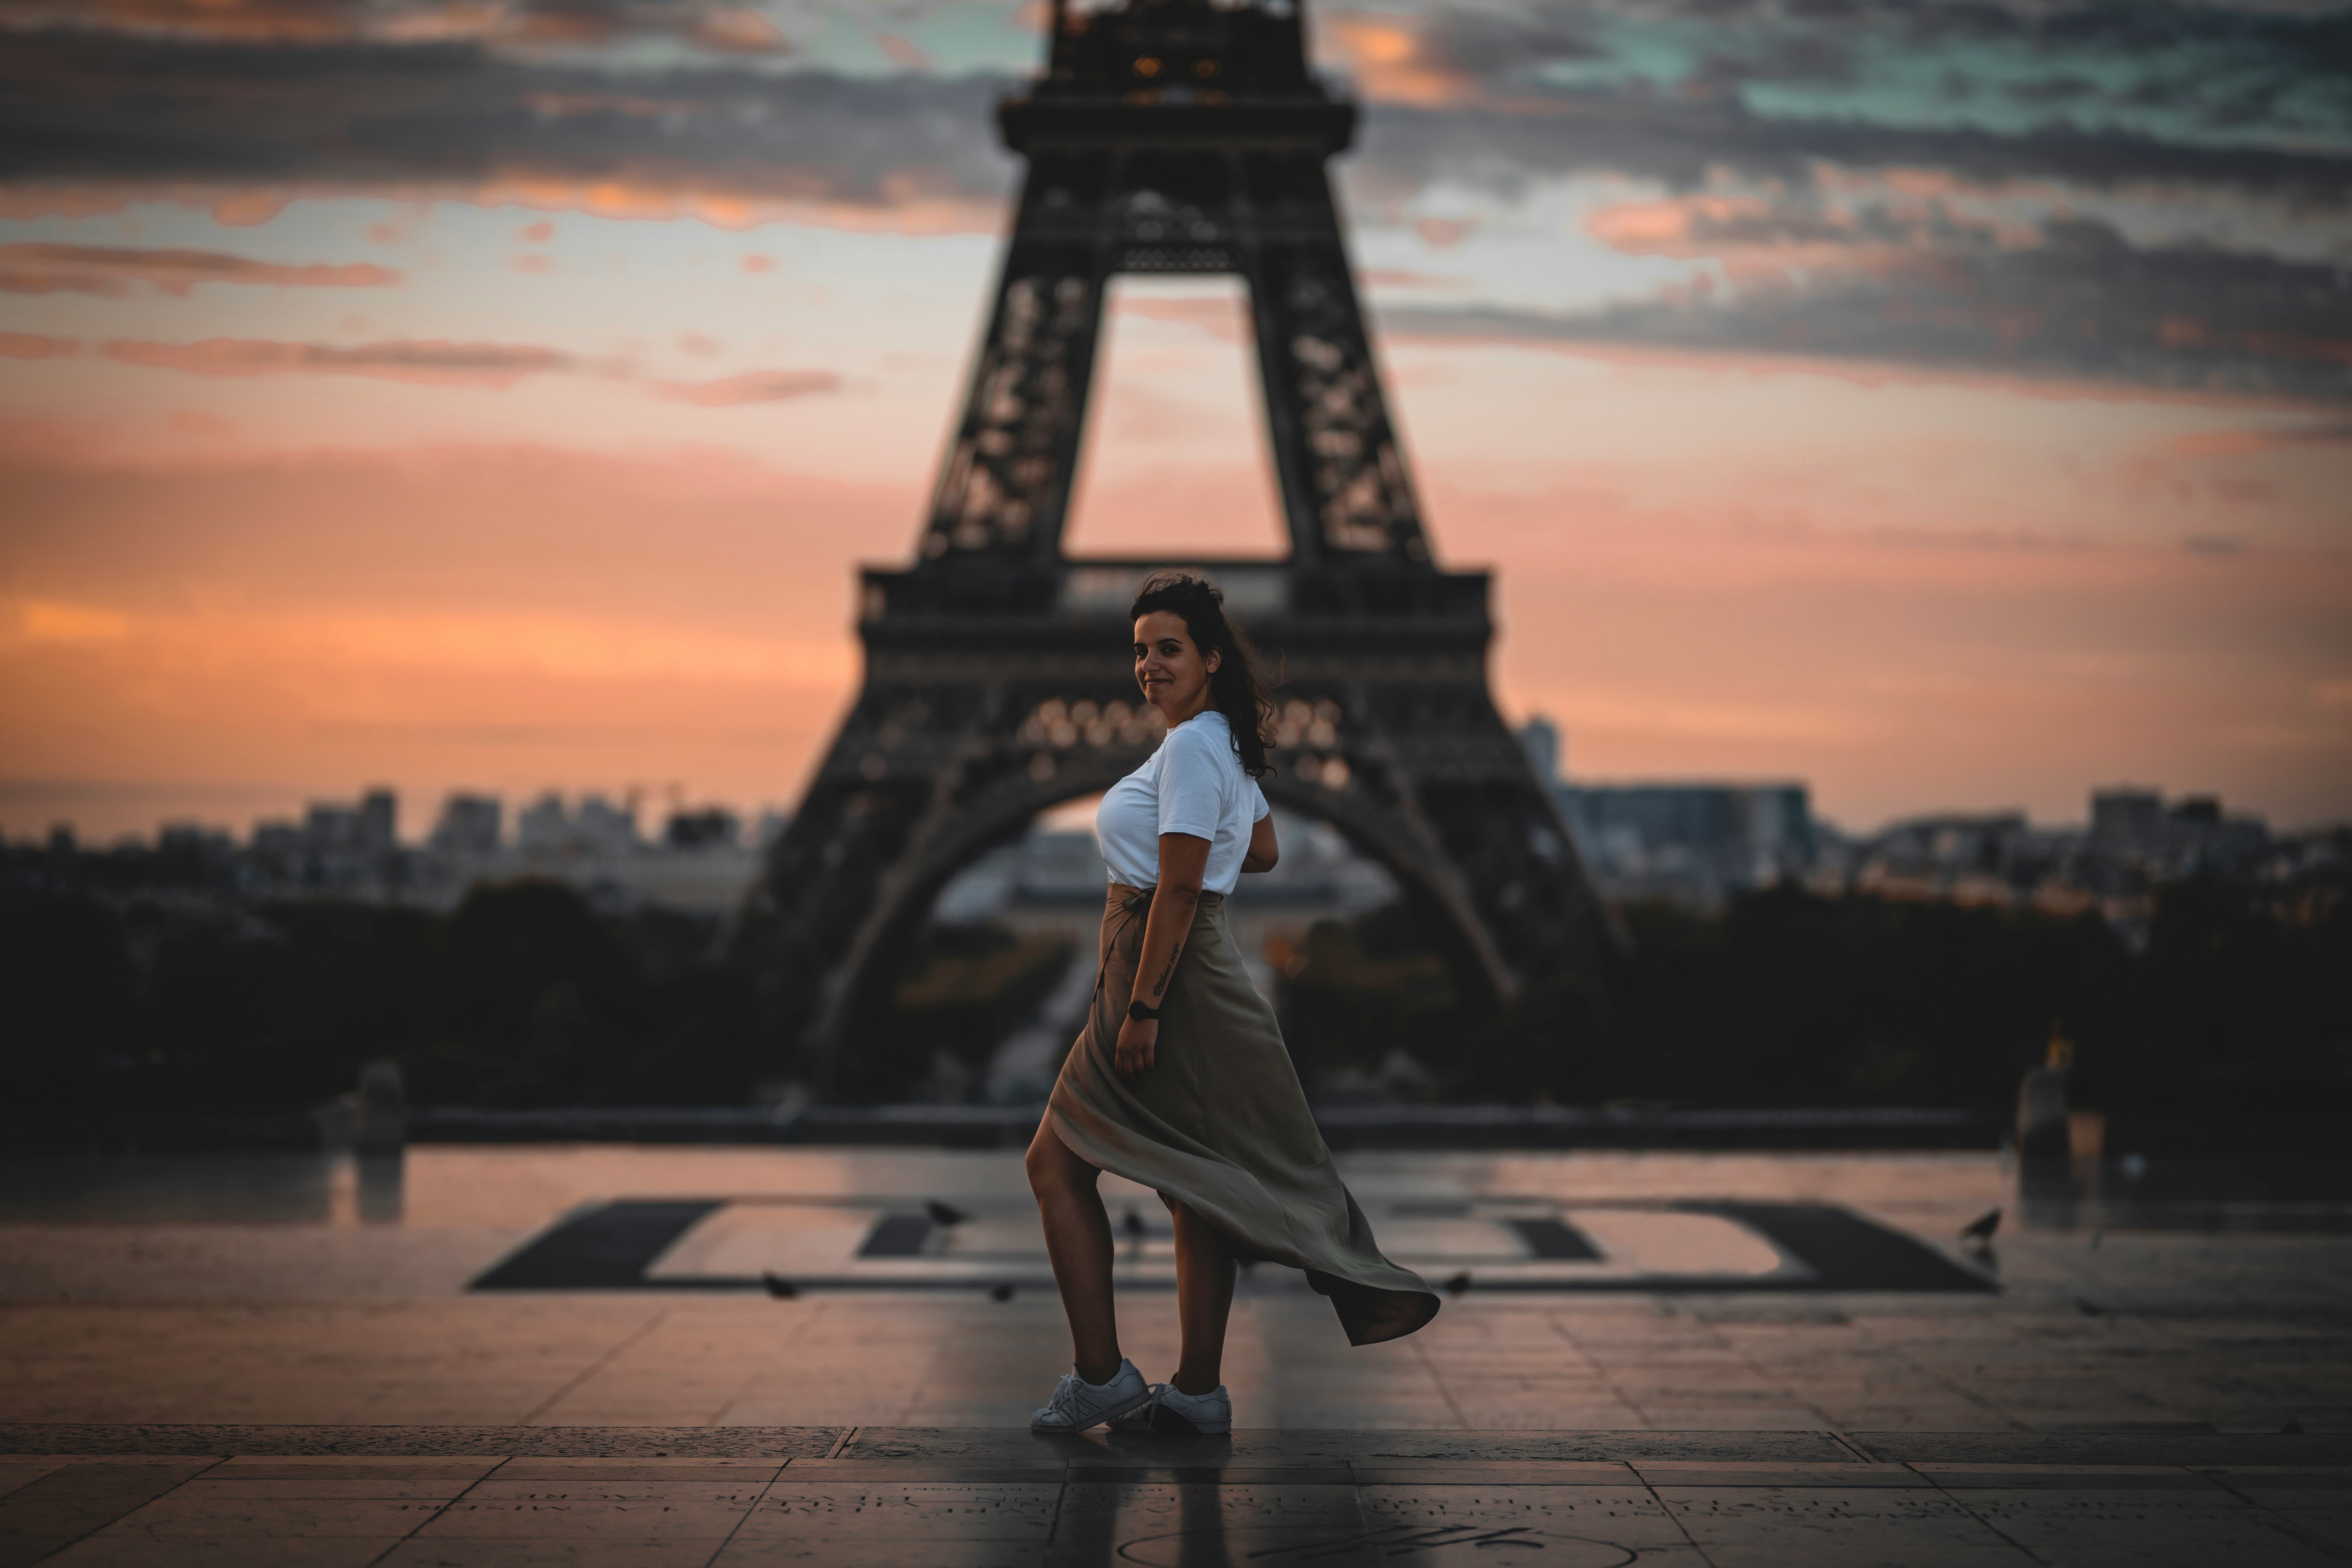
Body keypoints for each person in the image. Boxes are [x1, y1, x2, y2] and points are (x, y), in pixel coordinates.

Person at [1025, 570, 1439, 1437]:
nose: (1148, 664)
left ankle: (1101, 1375)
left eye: (1168, 648)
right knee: (1196, 1181)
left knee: (1055, 1165)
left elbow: (1176, 887)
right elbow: (1264, 851)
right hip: (1192, 958)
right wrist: (1197, 867)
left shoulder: (1188, 751)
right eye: (1139, 651)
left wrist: (1142, 1009)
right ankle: (1198, 1389)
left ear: (1210, 657)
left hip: (1158, 962)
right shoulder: (1221, 746)